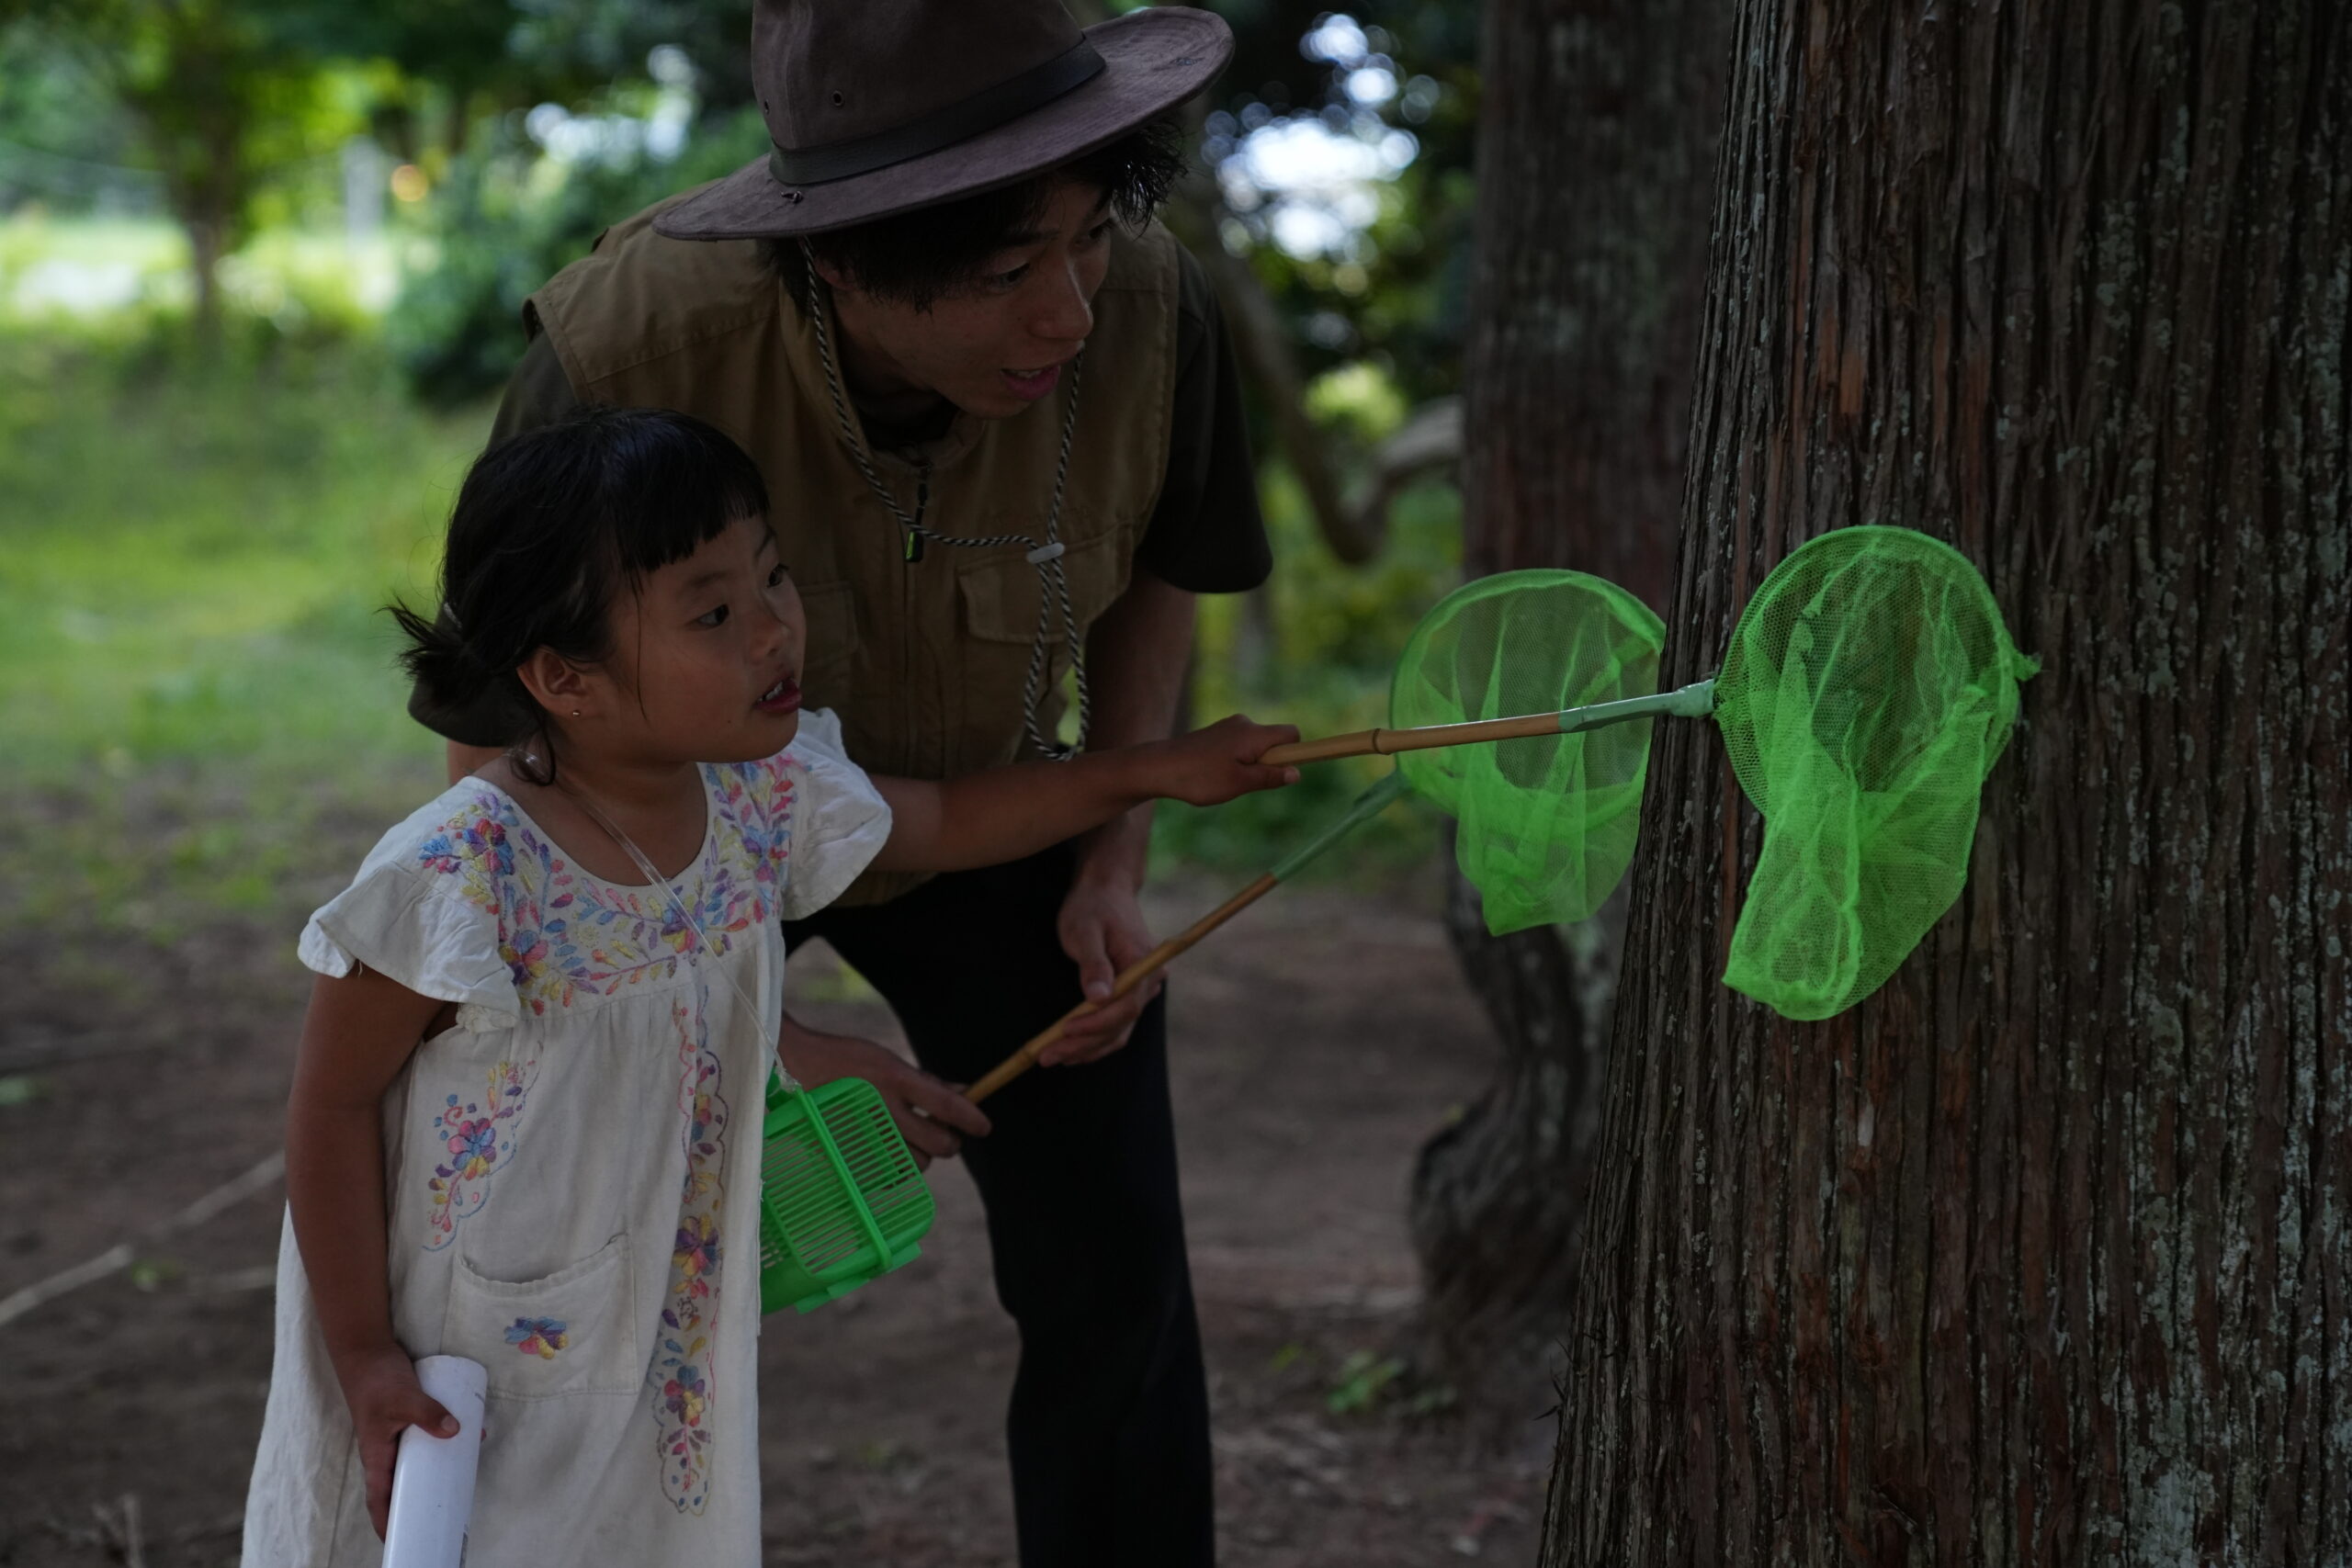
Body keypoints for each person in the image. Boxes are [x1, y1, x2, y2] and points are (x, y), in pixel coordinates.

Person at [414, 4, 1265, 1562]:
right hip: (662, 854)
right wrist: (762, 1033)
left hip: (1001, 810)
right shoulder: (627, 353)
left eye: (1084, 241)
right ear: (843, 258)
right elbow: (499, 776)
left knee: (1112, 1268)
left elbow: (1163, 566)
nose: (1068, 315)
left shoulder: (1149, 314)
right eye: (1008, 273)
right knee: (559, 1266)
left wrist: (1111, 861)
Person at [241, 408, 1297, 1565]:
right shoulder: (460, 876)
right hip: (458, 1356)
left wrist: (1155, 771)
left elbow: (943, 821)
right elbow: (331, 1106)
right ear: (564, 676)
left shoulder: (756, 798)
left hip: (661, 1331)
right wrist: (363, 1357)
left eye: (775, 579)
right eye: (713, 612)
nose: (773, 630)